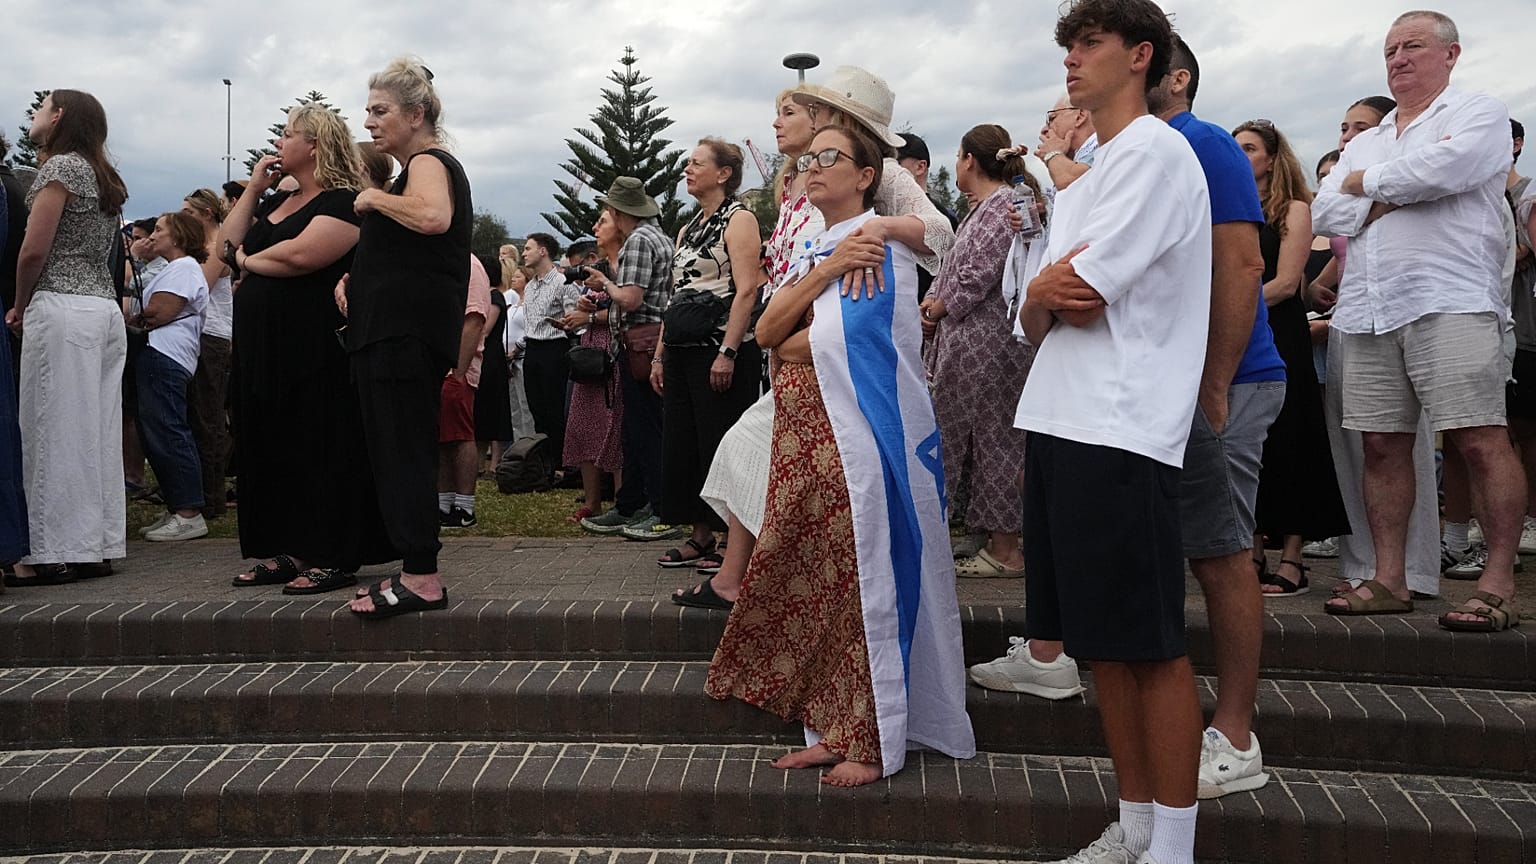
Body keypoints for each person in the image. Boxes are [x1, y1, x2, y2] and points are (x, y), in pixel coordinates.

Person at [705, 122, 974, 788]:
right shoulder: (825, 248)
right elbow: (771, 333)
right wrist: (820, 277)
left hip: (851, 445)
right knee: (822, 586)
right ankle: (834, 725)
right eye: (809, 157)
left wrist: (794, 324)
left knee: (865, 589)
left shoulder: (877, 245)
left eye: (833, 157)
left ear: (864, 178)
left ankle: (876, 737)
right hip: (805, 441)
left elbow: (831, 347)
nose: (813, 165)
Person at [1015, 2, 1207, 861]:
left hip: (1121, 425)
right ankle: (1133, 829)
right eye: (1066, 45)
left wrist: (1051, 291)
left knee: (1149, 646)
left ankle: (1172, 846)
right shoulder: (1095, 169)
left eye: (1087, 43)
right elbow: (1037, 310)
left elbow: (1081, 292)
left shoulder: (1156, 153)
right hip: (1062, 418)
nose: (1070, 60)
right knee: (1102, 647)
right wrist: (1044, 293)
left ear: (1140, 56)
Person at [672, 66, 956, 608]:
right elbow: (786, 275)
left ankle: (755, 578)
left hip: (837, 348)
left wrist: (877, 229)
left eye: (809, 109)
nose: (792, 119)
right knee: (765, 456)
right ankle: (758, 575)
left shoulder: (882, 175)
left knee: (768, 452)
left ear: (841, 119)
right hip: (798, 330)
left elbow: (940, 232)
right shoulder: (797, 179)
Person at [1313, 10, 1521, 631]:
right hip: (1370, 309)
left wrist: (1364, 187)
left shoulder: (1477, 113)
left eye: (1413, 47)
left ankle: (1498, 582)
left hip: (1452, 300)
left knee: (1479, 438)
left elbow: (1445, 171)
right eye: (1390, 50)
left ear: (1450, 54)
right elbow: (1327, 212)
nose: (1398, 58)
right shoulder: (1370, 137)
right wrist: (1379, 190)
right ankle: (1389, 577)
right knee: (1380, 444)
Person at [226, 104, 390, 593]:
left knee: (317, 444)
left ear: (314, 144)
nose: (278, 140)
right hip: (262, 347)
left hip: (312, 347)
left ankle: (333, 552)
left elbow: (300, 256)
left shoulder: (343, 201)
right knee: (269, 442)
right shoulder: (277, 200)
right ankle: (288, 548)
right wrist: (254, 189)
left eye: (287, 133)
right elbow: (223, 245)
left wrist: (247, 261)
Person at [341, 57, 471, 618]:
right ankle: (412, 570)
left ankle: (421, 578)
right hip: (390, 333)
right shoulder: (412, 167)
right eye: (368, 109)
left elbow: (434, 217)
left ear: (416, 114)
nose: (368, 121)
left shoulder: (428, 161)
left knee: (404, 452)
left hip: (403, 337)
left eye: (380, 110)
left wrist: (372, 200)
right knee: (394, 452)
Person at [1304, 96, 1444, 599]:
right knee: (1358, 446)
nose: (1346, 136)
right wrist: (1319, 287)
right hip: (1354, 318)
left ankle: (1419, 568)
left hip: (1410, 316)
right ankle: (1364, 562)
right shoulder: (1345, 172)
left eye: (1359, 127)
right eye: (1343, 127)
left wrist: (1362, 198)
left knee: (1408, 447)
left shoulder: (1405, 173)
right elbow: (1328, 220)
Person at [5, 90, 128, 585]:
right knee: (96, 430)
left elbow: (34, 250)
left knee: (53, 428)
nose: (33, 116)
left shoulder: (59, 170)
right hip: (101, 309)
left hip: (62, 306)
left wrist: (18, 302)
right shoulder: (103, 175)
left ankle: (50, 549)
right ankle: (95, 543)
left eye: (40, 108)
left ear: (58, 116)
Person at [1230, 120, 1349, 594]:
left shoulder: (1294, 209)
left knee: (1292, 438)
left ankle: (1294, 558)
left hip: (1278, 332)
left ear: (1272, 158)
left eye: (1250, 148)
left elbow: (1284, 285)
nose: (1240, 155)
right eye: (1235, 148)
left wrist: (1227, 306)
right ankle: (1255, 547)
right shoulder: (1235, 208)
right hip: (1239, 332)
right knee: (1249, 442)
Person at [919, 124, 1037, 577]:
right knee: (974, 439)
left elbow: (979, 272)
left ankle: (1005, 548)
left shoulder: (1003, 205)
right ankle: (986, 537)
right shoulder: (987, 208)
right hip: (971, 344)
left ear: (970, 159)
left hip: (989, 346)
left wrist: (939, 306)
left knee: (996, 440)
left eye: (958, 155)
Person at [645, 139, 765, 558]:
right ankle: (700, 534)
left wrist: (728, 352)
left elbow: (748, 289)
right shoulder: (687, 227)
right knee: (684, 442)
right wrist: (660, 355)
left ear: (724, 173)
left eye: (696, 163)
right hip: (682, 348)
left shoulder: (740, 218)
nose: (687, 170)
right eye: (687, 163)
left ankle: (734, 543)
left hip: (721, 348)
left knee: (722, 441)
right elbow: (676, 295)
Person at [577, 177, 674, 539]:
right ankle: (632, 502)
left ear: (618, 212)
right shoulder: (661, 237)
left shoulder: (637, 242)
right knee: (638, 428)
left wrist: (606, 286)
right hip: (653, 343)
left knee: (644, 430)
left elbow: (631, 299)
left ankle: (658, 508)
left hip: (639, 345)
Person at [132, 211, 210, 542]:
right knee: (157, 432)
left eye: (160, 230)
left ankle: (189, 512)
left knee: (168, 430)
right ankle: (178, 504)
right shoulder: (174, 269)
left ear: (177, 237)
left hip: (166, 354)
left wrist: (133, 319)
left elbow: (159, 313)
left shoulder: (184, 269)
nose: (153, 235)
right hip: (163, 354)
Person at [560, 222, 624, 524]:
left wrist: (590, 314)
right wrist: (584, 305)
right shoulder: (598, 267)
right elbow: (590, 303)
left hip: (615, 350)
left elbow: (630, 307)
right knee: (583, 424)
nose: (597, 227)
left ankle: (623, 501)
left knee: (616, 426)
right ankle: (592, 501)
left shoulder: (627, 263)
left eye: (604, 221)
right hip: (590, 351)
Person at [181, 189, 234, 521]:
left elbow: (198, 286)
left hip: (211, 335)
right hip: (199, 333)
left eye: (189, 211)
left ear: (207, 213)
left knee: (208, 416)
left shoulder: (216, 247)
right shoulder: (200, 247)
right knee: (198, 415)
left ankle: (212, 497)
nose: (183, 215)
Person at [438, 254, 491, 528]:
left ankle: (465, 506)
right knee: (443, 437)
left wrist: (457, 373)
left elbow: (474, 319)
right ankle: (444, 503)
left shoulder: (468, 265)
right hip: (439, 368)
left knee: (459, 435)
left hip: (456, 368)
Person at [520, 232, 581, 468]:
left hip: (555, 348)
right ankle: (542, 460)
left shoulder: (562, 282)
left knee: (554, 406)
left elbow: (575, 317)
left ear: (542, 251)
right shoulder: (531, 285)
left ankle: (560, 462)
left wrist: (565, 323)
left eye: (528, 248)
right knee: (536, 406)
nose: (524, 253)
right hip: (532, 349)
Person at [473, 252, 513, 471]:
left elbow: (485, 328)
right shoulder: (482, 295)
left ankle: (495, 462)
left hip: (492, 357)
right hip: (481, 354)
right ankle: (479, 461)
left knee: (494, 407)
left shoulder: (496, 296)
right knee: (481, 408)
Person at [1036, 92, 1098, 190]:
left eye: (1052, 118)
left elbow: (1073, 184)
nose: (1044, 129)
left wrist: (1053, 154)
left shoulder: (1101, 147)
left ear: (1079, 116)